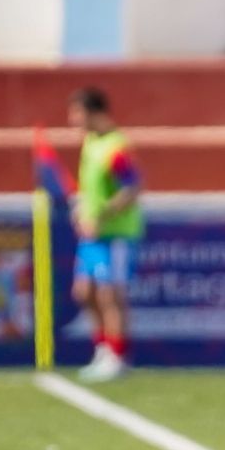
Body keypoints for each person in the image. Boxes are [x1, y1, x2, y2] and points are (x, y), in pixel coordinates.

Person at [68, 88, 143, 383]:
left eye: (77, 113)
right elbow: (92, 189)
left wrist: (101, 216)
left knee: (109, 294)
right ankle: (103, 348)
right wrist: (82, 208)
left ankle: (118, 356)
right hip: (92, 234)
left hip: (115, 233)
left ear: (94, 112)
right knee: (84, 292)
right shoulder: (90, 143)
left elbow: (131, 188)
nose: (72, 120)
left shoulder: (116, 147)